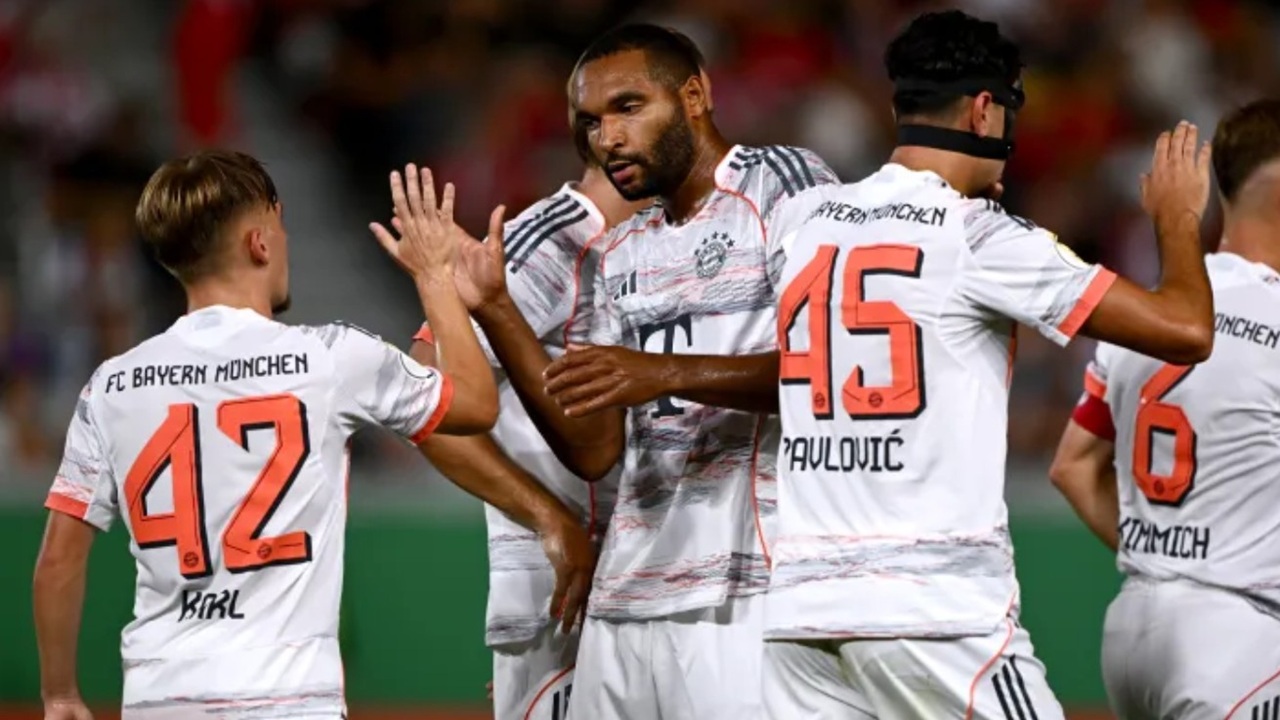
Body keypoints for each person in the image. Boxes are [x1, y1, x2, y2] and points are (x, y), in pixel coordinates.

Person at [761, 10, 1215, 720]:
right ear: (984, 110)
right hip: (934, 613)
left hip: (800, 613)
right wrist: (1178, 222)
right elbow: (1185, 330)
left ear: (898, 107)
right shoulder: (977, 234)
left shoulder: (804, 219)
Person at [31, 151, 593, 720]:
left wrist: (59, 694)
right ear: (260, 242)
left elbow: (58, 559)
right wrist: (435, 278)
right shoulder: (328, 356)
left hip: (159, 696)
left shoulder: (112, 385)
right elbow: (473, 404)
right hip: (287, 697)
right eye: (281, 227)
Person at [424, 22, 839, 720]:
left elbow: (827, 371)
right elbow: (595, 451)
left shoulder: (779, 181)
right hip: (624, 596)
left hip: (740, 591)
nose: (606, 137)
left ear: (695, 95)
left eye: (627, 107)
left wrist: (663, 371)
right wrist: (497, 309)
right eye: (589, 122)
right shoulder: (622, 252)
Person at [1050, 99, 1280, 720]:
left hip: (1134, 628)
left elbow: (1072, 466)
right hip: (1242, 635)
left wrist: (1173, 563)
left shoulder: (1149, 314)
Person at [410, 141, 648, 720]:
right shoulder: (549, 237)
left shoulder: (652, 239)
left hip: (634, 592)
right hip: (564, 598)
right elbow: (425, 396)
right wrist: (549, 518)